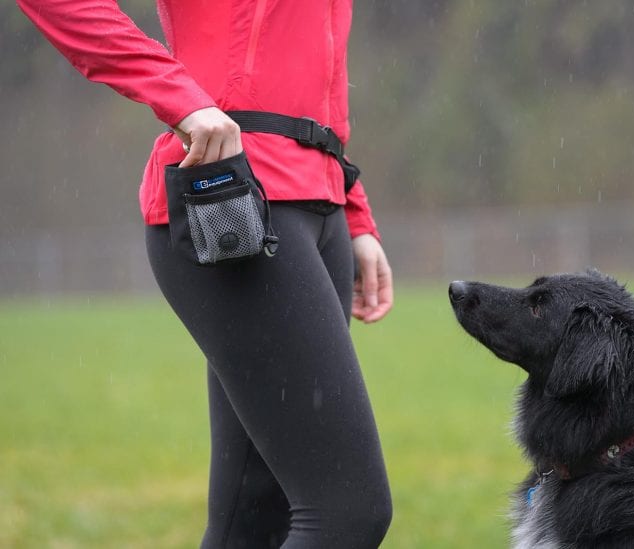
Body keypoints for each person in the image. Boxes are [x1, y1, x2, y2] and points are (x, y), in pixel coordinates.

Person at [16, 1, 394, 547]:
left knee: (255, 520)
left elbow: (318, 67)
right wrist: (178, 96)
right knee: (346, 513)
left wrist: (353, 211)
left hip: (320, 205)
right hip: (236, 200)